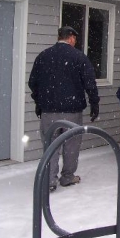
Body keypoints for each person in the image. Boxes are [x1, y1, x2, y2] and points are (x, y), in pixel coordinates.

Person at [28, 26, 100, 192]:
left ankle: (49, 181)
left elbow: (33, 83)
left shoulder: (43, 56)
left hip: (49, 111)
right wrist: (94, 103)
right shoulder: (79, 57)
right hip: (72, 111)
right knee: (71, 145)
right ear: (71, 38)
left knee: (51, 145)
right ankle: (67, 177)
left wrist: (39, 102)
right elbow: (90, 83)